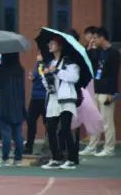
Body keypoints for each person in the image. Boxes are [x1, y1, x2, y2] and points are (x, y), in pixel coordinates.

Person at [41, 36, 81, 170]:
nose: (50, 45)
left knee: (65, 129)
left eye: (53, 43)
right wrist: (46, 77)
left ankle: (72, 159)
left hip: (66, 99)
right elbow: (47, 84)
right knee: (50, 129)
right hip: (53, 99)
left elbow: (74, 78)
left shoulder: (70, 63)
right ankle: (56, 158)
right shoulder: (50, 63)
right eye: (49, 43)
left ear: (60, 46)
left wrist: (57, 71)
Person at [81, 27, 119, 157]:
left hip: (107, 91)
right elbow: (87, 63)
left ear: (102, 38)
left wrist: (113, 93)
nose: (93, 40)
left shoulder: (113, 53)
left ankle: (109, 148)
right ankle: (92, 146)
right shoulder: (97, 52)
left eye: (95, 38)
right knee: (94, 120)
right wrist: (89, 49)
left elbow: (114, 75)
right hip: (96, 89)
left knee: (107, 121)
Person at [0, 53, 26, 167]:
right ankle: (18, 159)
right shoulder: (20, 70)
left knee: (6, 133)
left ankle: (5, 158)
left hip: (5, 104)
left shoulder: (2, 69)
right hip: (18, 103)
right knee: (18, 133)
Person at [25, 52, 48, 155]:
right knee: (31, 123)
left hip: (43, 98)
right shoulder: (38, 64)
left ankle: (46, 147)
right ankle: (29, 146)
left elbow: (37, 76)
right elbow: (34, 77)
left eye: (40, 53)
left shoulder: (45, 64)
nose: (38, 55)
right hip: (36, 97)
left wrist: (33, 76)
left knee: (46, 123)